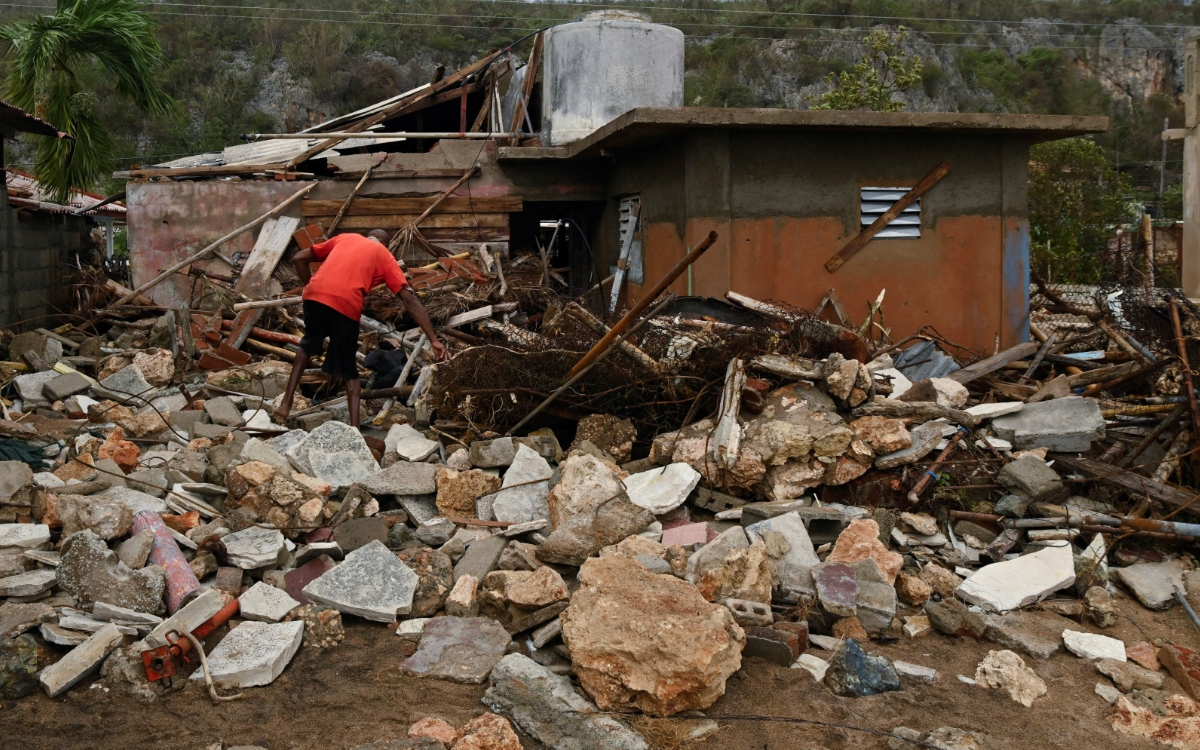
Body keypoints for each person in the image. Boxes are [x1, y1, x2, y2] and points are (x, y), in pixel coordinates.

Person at [275, 228, 447, 427]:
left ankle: (285, 405)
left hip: (314, 295)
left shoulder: (344, 238)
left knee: (307, 346)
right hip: (346, 304)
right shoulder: (384, 255)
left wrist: (311, 285)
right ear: (386, 245)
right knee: (350, 371)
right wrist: (433, 339)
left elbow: (298, 258)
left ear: (368, 238)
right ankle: (355, 429)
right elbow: (409, 299)